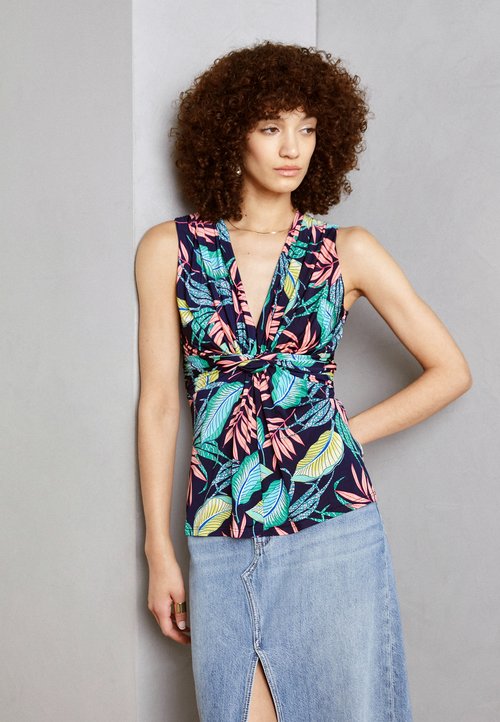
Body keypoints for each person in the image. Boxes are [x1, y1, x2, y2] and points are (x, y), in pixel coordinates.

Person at [135, 40, 472, 722]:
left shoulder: (348, 252)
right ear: (231, 135)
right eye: (271, 127)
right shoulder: (169, 249)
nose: (293, 148)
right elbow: (161, 405)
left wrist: (342, 432)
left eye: (308, 128)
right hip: (219, 530)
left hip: (332, 530)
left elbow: (451, 371)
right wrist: (157, 549)